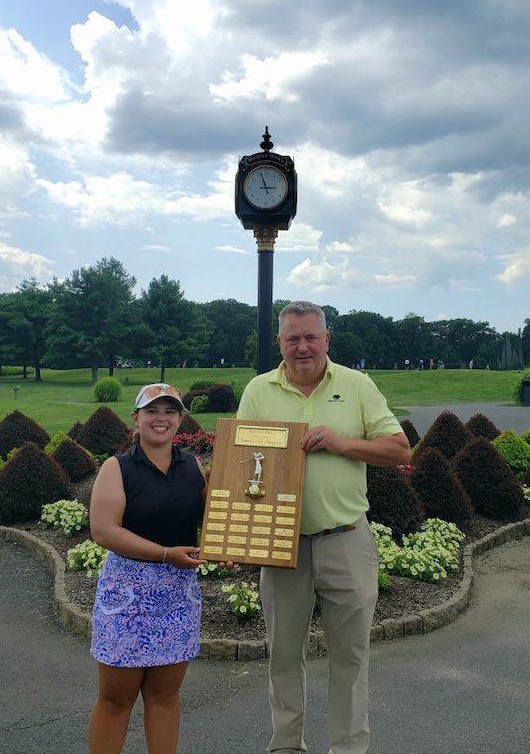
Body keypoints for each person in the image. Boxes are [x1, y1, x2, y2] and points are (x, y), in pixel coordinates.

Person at [237, 300, 411, 754]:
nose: (302, 347)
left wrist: (341, 443)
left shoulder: (356, 385)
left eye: (311, 337)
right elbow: (241, 469)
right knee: (282, 655)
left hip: (345, 539)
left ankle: (348, 748)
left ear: (326, 339)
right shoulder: (258, 390)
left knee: (350, 657)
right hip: (281, 544)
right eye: (292, 338)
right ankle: (286, 745)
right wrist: (237, 530)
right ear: (280, 342)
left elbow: (399, 449)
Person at [88, 383, 228, 754]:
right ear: (136, 418)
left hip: (178, 596)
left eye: (170, 411)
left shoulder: (194, 466)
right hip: (127, 597)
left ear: (180, 418)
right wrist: (165, 553)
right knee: (116, 701)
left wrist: (231, 546)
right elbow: (104, 530)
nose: (161, 418)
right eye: (152, 410)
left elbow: (218, 519)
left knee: (165, 696)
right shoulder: (117, 468)